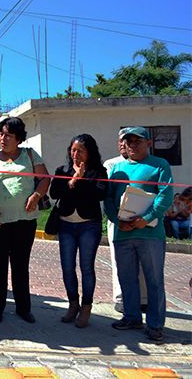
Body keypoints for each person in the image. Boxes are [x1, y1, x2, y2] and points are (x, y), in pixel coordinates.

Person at [0, 117, 50, 323]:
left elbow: (45, 179)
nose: (3, 138)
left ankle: (23, 308)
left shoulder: (29, 154)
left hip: (25, 221)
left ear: (18, 138)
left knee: (20, 265)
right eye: (1, 134)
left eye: (8, 135)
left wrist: (36, 196)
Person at [105, 126, 173, 342]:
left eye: (137, 141)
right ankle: (131, 316)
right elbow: (108, 199)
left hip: (150, 233)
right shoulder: (117, 169)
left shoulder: (160, 166)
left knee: (154, 280)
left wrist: (146, 218)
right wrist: (117, 220)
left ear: (148, 143)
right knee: (126, 278)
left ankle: (155, 324)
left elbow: (165, 195)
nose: (132, 145)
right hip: (123, 233)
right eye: (128, 141)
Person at [49, 134, 107, 328]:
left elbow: (100, 193)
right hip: (66, 224)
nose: (75, 154)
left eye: (80, 150)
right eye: (73, 150)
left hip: (89, 225)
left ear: (89, 152)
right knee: (67, 267)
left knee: (86, 267)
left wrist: (81, 181)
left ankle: (86, 307)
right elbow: (54, 193)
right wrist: (71, 182)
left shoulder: (98, 171)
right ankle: (72, 304)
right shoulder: (62, 170)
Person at [104, 129, 147, 314]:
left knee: (144, 263)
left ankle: (143, 300)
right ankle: (121, 299)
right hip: (118, 221)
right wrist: (116, 217)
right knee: (119, 262)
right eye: (122, 141)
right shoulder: (111, 164)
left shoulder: (150, 164)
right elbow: (106, 194)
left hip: (143, 221)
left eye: (129, 141)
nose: (125, 144)